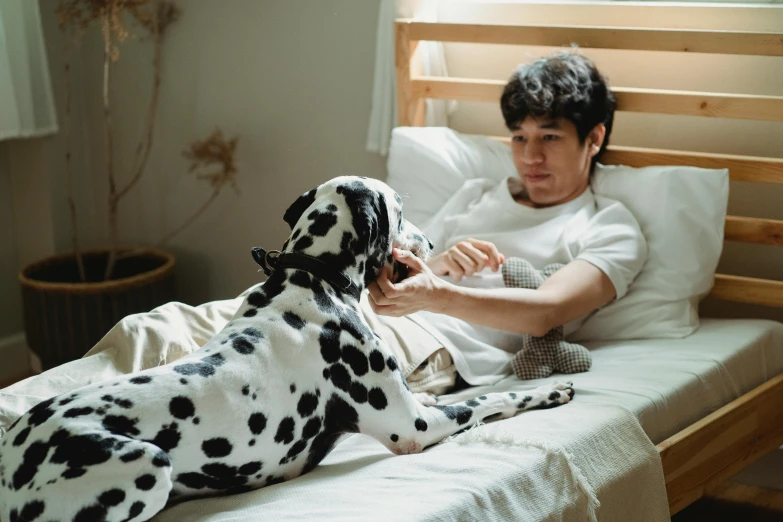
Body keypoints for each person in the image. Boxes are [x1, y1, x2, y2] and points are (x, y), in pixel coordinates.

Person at [362, 51, 648, 394]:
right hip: (365, 312)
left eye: (549, 137)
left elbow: (547, 312)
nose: (530, 157)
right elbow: (400, 273)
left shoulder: (609, 227)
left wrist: (438, 297)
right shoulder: (475, 194)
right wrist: (439, 265)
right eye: (519, 137)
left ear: (594, 139)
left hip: (436, 345)